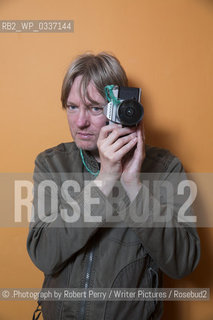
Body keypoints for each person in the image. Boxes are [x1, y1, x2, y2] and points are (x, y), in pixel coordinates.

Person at [27, 52, 200, 320]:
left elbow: (183, 263)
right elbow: (44, 255)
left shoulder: (165, 169)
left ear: (121, 106)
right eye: (72, 107)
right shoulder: (53, 164)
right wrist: (105, 180)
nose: (80, 121)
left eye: (95, 108)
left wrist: (132, 185)